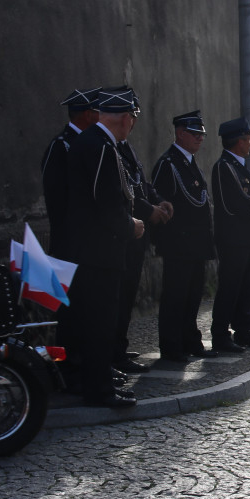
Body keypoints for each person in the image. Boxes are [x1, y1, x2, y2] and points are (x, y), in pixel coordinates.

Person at [66, 86, 145, 407]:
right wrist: (132, 226)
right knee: (100, 323)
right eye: (133, 118)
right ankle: (99, 390)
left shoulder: (90, 142)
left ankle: (96, 384)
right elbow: (106, 203)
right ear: (124, 118)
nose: (132, 124)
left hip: (90, 249)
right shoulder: (99, 146)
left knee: (94, 321)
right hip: (100, 252)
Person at [113, 94, 174, 374]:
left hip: (136, 235)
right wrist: (149, 210)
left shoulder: (126, 148)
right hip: (122, 236)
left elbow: (140, 182)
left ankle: (119, 347)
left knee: (126, 296)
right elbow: (122, 194)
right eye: (131, 116)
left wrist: (158, 200)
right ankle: (113, 352)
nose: (133, 121)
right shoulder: (109, 148)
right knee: (117, 297)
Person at [151, 110, 217, 362]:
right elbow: (160, 201)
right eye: (194, 133)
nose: (200, 138)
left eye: (202, 134)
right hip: (178, 244)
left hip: (195, 244)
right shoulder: (168, 164)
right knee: (175, 297)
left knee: (192, 297)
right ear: (180, 133)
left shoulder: (189, 164)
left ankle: (191, 340)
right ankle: (171, 345)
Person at [211, 117, 250, 352]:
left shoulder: (241, 167)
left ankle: (244, 331)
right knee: (229, 288)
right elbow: (230, 203)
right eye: (248, 140)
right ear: (238, 141)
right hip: (233, 239)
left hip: (248, 238)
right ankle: (220, 334)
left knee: (246, 287)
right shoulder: (223, 167)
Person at [41, 87, 99, 260]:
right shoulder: (62, 146)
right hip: (73, 242)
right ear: (88, 115)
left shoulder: (92, 144)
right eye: (99, 112)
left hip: (93, 241)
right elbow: (57, 197)